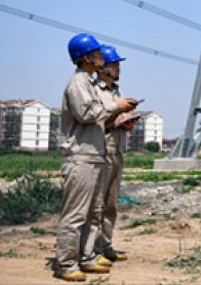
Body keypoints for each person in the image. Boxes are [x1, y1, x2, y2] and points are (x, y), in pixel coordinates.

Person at [56, 34, 137, 282]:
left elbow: (98, 116)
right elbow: (86, 113)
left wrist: (119, 117)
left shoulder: (89, 83)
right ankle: (67, 264)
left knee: (93, 213)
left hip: (94, 156)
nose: (102, 58)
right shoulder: (77, 84)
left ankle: (88, 257)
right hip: (81, 157)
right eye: (98, 54)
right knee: (75, 214)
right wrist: (116, 108)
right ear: (85, 57)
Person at [94, 45, 139, 263]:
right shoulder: (94, 90)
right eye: (113, 64)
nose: (118, 67)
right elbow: (92, 119)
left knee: (111, 203)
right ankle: (93, 250)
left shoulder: (116, 92)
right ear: (101, 66)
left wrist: (126, 123)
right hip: (101, 150)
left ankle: (106, 245)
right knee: (97, 202)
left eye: (118, 64)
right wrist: (116, 111)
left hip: (117, 148)